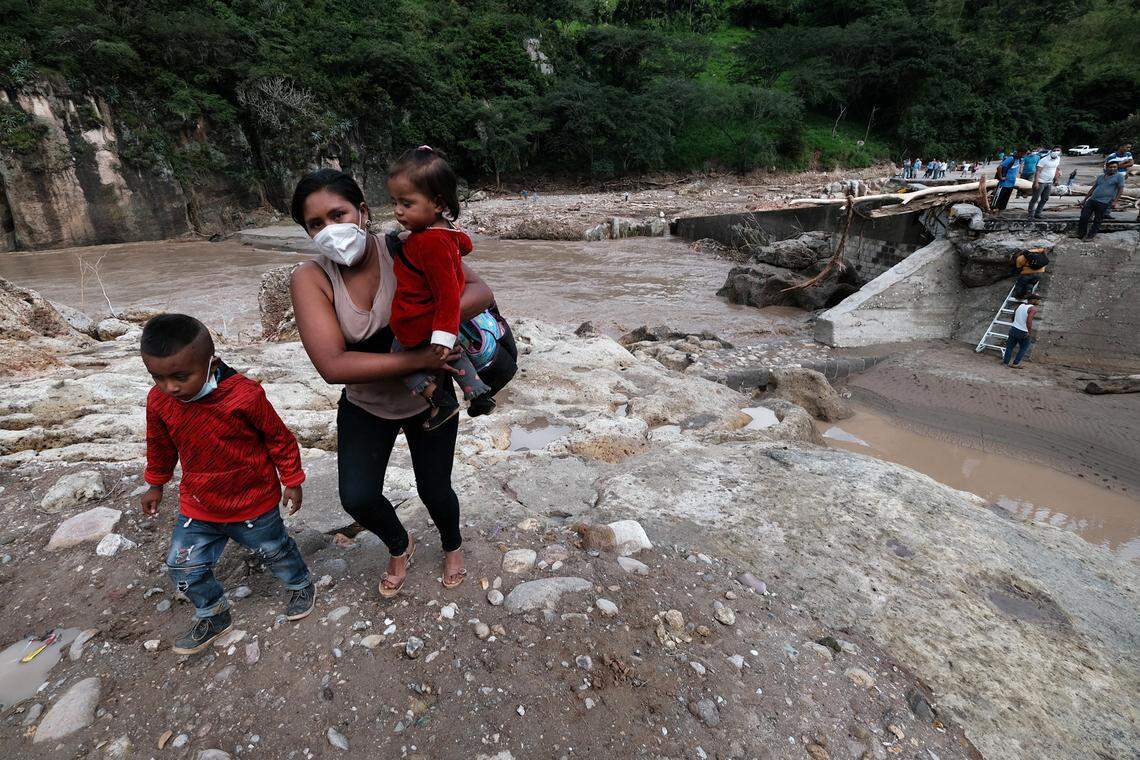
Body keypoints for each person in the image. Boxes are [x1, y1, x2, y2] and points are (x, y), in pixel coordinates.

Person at [289, 169, 495, 595]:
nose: (330, 229)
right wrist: (418, 357)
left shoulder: (407, 246)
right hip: (366, 403)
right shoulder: (310, 278)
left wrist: (435, 323)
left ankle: (452, 545)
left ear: (362, 211)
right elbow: (332, 366)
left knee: (435, 489)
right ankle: (400, 544)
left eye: (338, 214)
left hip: (431, 399)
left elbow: (479, 292)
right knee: (358, 497)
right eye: (316, 224)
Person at [140, 314, 312, 654]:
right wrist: (155, 483)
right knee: (180, 565)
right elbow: (159, 444)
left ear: (211, 363)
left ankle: (300, 583)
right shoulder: (159, 401)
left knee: (274, 549)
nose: (170, 387)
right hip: (199, 504)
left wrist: (292, 479)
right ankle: (213, 612)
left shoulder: (244, 396)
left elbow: (278, 439)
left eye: (180, 376)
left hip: (253, 500)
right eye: (158, 377)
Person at [385, 146, 492, 429]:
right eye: (394, 202)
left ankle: (438, 399)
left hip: (420, 318)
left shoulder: (429, 243)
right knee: (455, 348)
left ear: (437, 203)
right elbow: (465, 245)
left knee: (399, 357)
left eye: (407, 204)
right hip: (441, 322)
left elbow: (446, 293)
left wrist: (440, 337)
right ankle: (478, 393)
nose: (397, 211)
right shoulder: (446, 234)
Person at [1077, 159, 1125, 240]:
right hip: (1092, 200)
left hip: (1104, 202)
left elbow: (1120, 190)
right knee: (1083, 217)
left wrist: (1115, 201)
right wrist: (1085, 199)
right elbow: (1093, 188)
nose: (1113, 168)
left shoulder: (1119, 177)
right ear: (1107, 167)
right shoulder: (1100, 177)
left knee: (1097, 220)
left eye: (1115, 167)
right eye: (1111, 167)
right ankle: (1081, 234)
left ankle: (1091, 235)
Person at [1003, 296, 1040, 369]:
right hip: (1023, 331)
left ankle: (1005, 363)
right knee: (1024, 347)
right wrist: (1029, 332)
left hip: (1013, 328)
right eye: (1038, 300)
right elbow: (1029, 321)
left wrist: (1015, 324)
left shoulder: (1020, 305)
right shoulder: (1033, 308)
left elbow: (1013, 316)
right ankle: (1015, 363)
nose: (1039, 301)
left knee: (1009, 347)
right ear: (1033, 300)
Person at [1027, 147, 1062, 219]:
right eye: (1054, 150)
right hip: (1040, 182)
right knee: (1035, 198)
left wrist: (1056, 179)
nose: (1056, 152)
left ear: (1061, 152)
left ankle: (1038, 213)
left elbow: (1056, 169)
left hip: (1049, 182)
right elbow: (1038, 171)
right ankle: (1030, 214)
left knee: (1045, 198)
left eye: (1058, 150)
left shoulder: (1058, 159)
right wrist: (1036, 182)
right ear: (1051, 151)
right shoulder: (1044, 160)